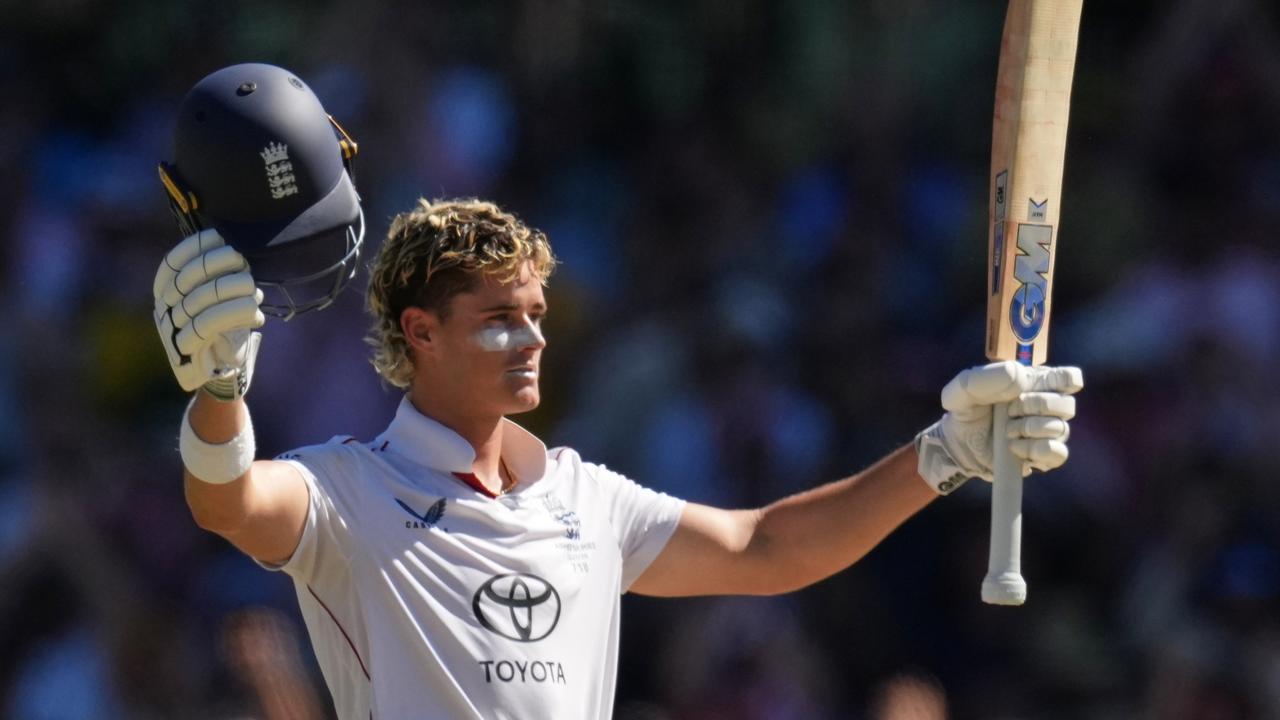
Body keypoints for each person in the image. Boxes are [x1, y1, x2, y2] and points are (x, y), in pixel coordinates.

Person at [154, 196, 1082, 720]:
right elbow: (226, 502)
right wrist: (220, 393)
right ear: (420, 332)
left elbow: (766, 549)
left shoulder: (582, 497)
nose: (529, 340)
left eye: (535, 316)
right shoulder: (349, 489)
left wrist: (945, 453)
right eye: (496, 321)